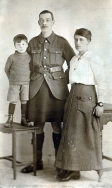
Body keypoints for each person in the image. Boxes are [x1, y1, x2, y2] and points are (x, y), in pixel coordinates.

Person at [21, 10, 75, 173]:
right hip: (36, 88)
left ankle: (59, 164)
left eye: (48, 20)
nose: (44, 23)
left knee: (57, 126)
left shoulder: (61, 42)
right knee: (37, 125)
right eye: (41, 20)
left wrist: (63, 79)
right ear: (38, 23)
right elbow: (25, 66)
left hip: (57, 91)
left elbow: (74, 63)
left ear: (53, 22)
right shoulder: (32, 43)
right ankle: (37, 162)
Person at [55, 28, 106, 181]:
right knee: (70, 134)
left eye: (81, 40)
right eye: (76, 39)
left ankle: (77, 169)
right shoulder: (73, 60)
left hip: (87, 99)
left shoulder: (94, 59)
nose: (77, 43)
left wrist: (100, 103)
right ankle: (72, 169)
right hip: (72, 97)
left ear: (88, 41)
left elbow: (102, 82)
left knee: (82, 136)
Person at [4, 34, 32, 128]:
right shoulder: (12, 57)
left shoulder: (29, 57)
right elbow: (6, 69)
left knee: (24, 101)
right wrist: (12, 79)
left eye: (23, 44)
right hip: (14, 83)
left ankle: (23, 119)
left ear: (27, 45)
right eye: (18, 44)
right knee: (13, 100)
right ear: (15, 46)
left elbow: (32, 69)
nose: (21, 46)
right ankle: (10, 119)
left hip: (26, 83)